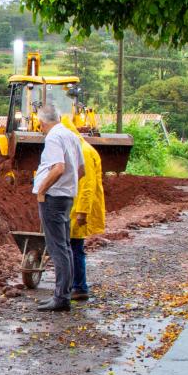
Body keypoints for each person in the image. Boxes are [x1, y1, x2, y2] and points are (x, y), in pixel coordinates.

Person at [31, 106, 85, 311]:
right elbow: (81, 170)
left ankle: (61, 298)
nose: (40, 128)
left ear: (42, 123)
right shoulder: (71, 136)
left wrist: (42, 190)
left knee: (57, 248)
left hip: (53, 198)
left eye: (40, 125)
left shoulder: (53, 137)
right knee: (66, 247)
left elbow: (59, 167)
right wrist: (69, 187)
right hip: (66, 197)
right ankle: (64, 294)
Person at [63, 117, 105, 300]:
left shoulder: (84, 151)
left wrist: (82, 211)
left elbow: (87, 185)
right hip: (73, 205)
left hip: (79, 207)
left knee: (75, 247)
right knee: (72, 246)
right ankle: (73, 284)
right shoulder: (76, 149)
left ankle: (80, 287)